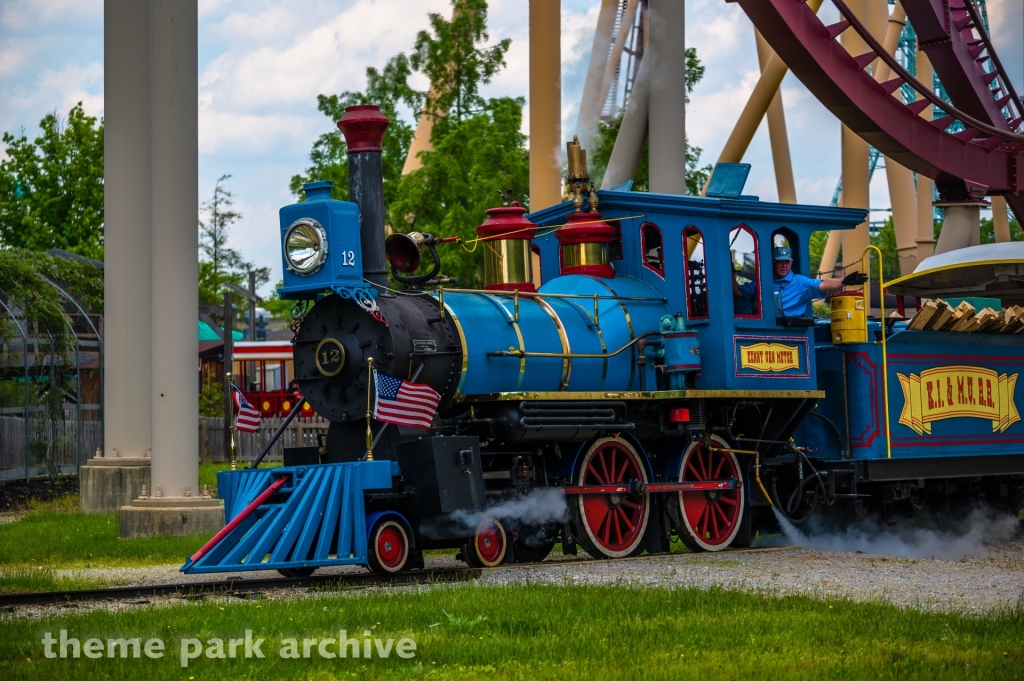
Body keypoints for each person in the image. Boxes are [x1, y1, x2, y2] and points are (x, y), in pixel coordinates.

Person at [733, 246, 867, 318]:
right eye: (780, 262)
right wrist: (730, 272)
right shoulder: (761, 282)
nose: (784, 265)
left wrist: (844, 281)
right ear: (773, 263)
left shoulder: (799, 282)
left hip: (788, 332)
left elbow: (822, 284)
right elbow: (738, 292)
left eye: (787, 262)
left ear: (791, 263)